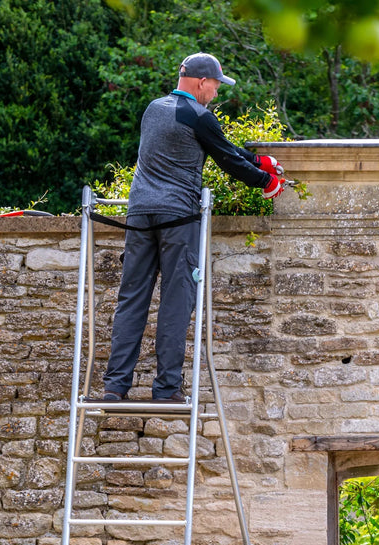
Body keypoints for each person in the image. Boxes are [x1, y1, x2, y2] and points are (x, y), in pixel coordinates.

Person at [103, 52, 285, 403]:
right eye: (216, 86)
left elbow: (216, 146)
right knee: (175, 301)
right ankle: (167, 390)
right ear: (202, 82)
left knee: (132, 300)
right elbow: (226, 159)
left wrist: (260, 159)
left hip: (139, 216)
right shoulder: (199, 115)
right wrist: (267, 181)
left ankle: (115, 387)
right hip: (178, 219)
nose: (216, 94)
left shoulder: (153, 109)